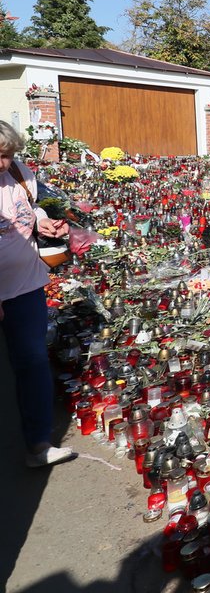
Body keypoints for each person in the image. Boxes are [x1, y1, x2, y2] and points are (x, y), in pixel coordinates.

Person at [0, 121, 76, 467]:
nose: (4, 162)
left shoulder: (18, 172)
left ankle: (38, 443)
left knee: (32, 361)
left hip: (26, 285)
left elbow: (31, 209)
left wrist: (42, 222)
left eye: (8, 154)